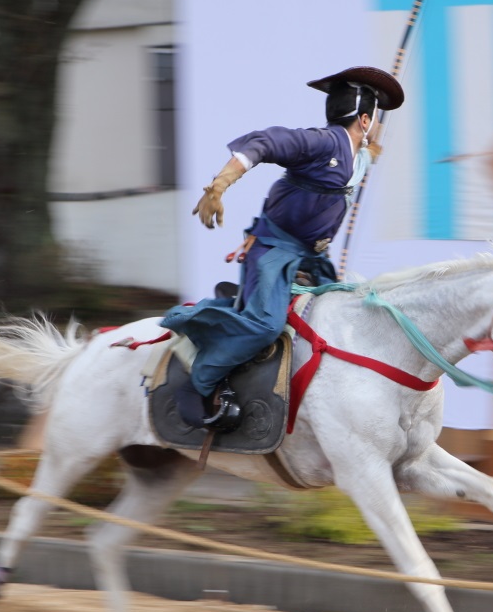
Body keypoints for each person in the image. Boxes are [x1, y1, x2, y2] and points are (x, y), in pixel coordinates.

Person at [162, 66, 405, 430]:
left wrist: (372, 133)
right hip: (274, 253)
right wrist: (218, 187)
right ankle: (200, 381)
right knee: (264, 326)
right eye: (371, 121)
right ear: (365, 120)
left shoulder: (358, 154)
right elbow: (266, 142)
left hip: (310, 259)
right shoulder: (323, 143)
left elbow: (361, 154)